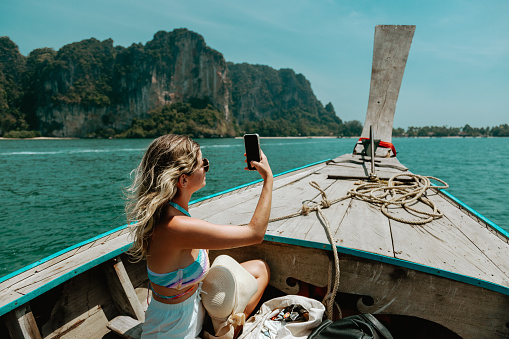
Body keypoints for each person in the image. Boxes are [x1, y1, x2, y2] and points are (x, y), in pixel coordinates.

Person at [125, 134, 272, 338]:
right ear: (183, 180)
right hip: (174, 330)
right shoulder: (176, 227)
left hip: (193, 306)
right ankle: (229, 332)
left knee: (259, 269)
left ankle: (231, 326)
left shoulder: (169, 212)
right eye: (203, 163)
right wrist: (268, 180)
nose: (206, 167)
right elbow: (255, 234)